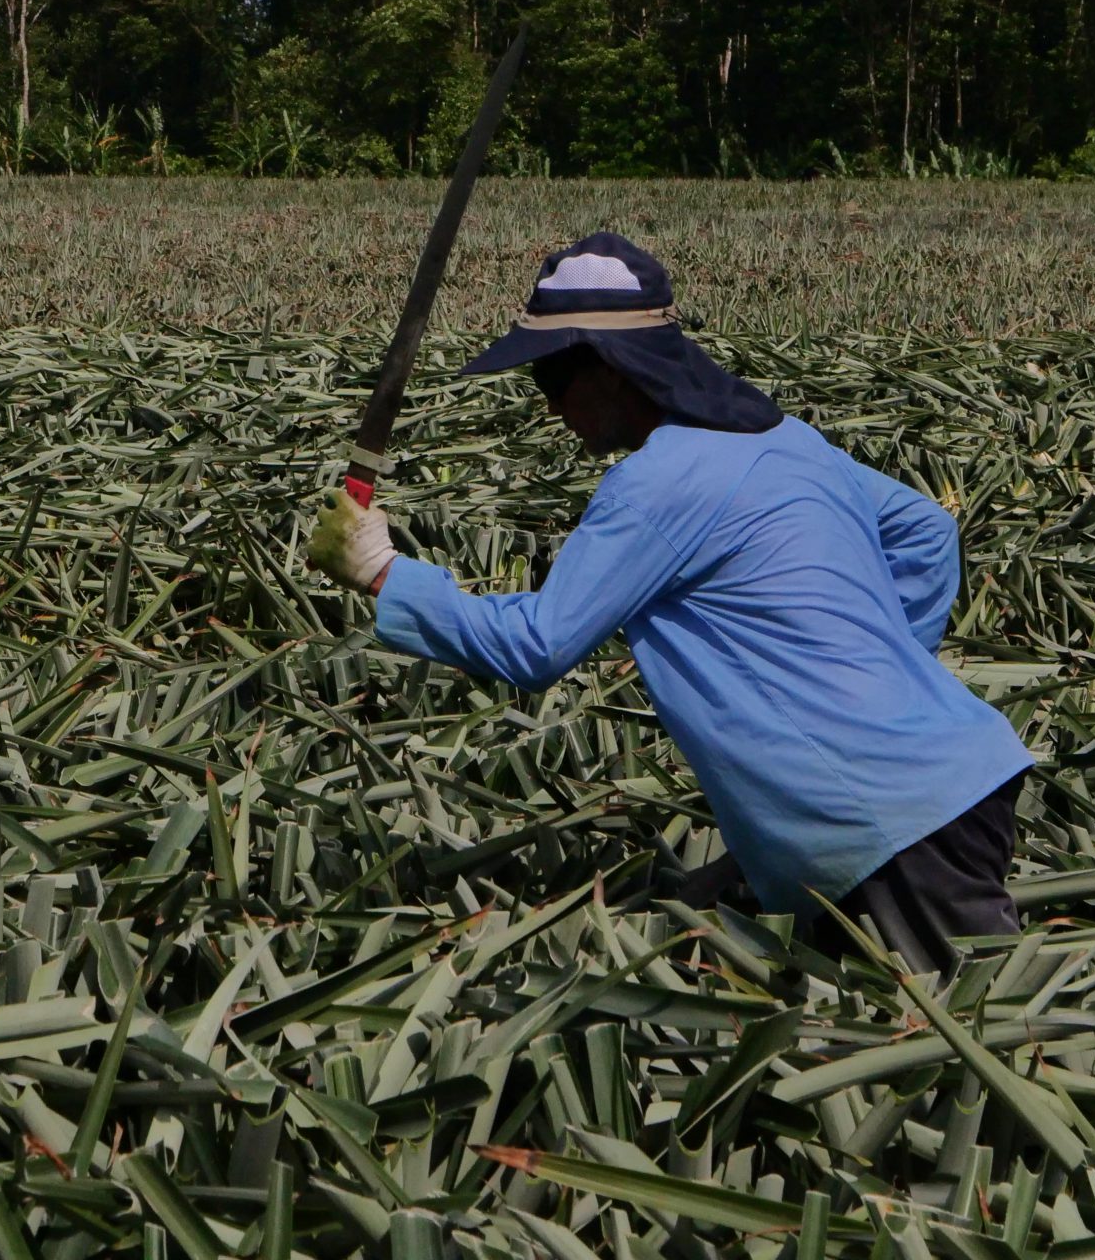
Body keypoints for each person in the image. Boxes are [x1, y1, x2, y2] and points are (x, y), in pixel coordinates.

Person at [306, 232, 1032, 973]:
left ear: (613, 367)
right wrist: (885, 684)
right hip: (953, 777)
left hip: (889, 823)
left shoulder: (656, 484)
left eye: (554, 375)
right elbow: (927, 533)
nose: (548, 402)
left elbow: (537, 645)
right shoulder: (786, 440)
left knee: (969, 1028)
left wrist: (382, 572)